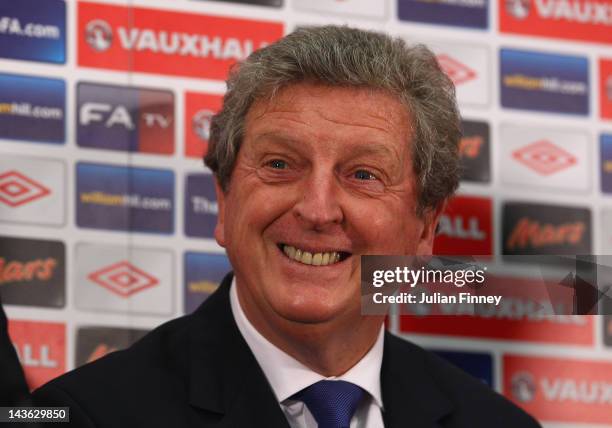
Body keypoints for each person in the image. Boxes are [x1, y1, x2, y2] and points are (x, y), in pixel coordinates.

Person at [33, 26, 541, 427]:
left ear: (425, 229)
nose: (318, 210)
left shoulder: (498, 423)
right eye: (279, 164)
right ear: (224, 201)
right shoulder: (85, 415)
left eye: (363, 175)